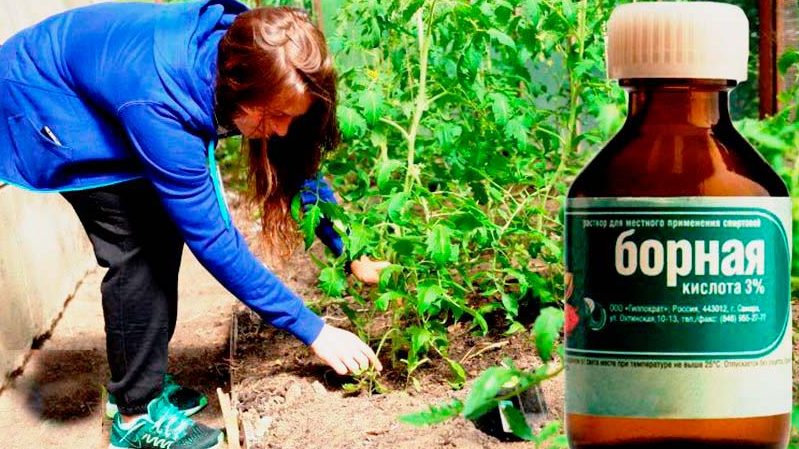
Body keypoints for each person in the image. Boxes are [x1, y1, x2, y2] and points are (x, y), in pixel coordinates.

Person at [0, 1, 388, 448]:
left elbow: (295, 160)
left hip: (103, 85)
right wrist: (313, 329)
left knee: (159, 232)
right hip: (43, 99)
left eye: (290, 116)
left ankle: (140, 381)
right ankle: (136, 414)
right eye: (273, 116)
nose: (281, 129)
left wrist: (349, 250)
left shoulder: (254, 54)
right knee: (139, 245)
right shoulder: (164, 101)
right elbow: (214, 239)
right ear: (235, 86)